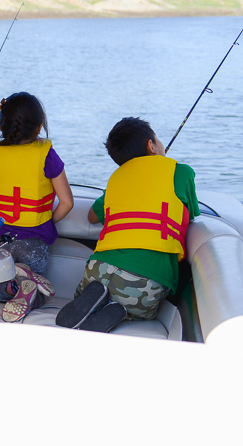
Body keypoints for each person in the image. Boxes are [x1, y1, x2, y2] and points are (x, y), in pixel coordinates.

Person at [57, 117, 200, 332]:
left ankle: (94, 305)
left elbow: (92, 217)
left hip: (97, 271)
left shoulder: (116, 178)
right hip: (145, 281)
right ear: (151, 146)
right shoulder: (181, 172)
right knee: (142, 310)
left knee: (86, 293)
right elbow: (192, 214)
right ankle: (122, 313)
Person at [0, 92, 74, 322]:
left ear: (0, 125)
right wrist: (46, 220)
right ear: (40, 128)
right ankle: (26, 282)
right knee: (37, 297)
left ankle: (13, 284)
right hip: (35, 241)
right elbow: (67, 203)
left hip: (1, 240)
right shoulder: (47, 155)